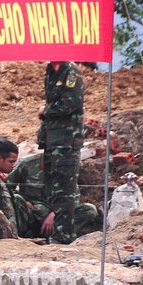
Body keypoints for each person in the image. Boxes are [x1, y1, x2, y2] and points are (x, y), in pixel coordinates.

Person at [37, 61, 86, 244]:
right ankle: (57, 234)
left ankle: (64, 236)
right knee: (54, 188)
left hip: (66, 141)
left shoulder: (71, 72)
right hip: (52, 141)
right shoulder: (51, 71)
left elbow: (71, 103)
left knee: (65, 189)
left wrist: (46, 110)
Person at [5, 151, 101, 239]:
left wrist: (55, 213)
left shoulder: (66, 168)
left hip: (58, 214)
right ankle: (27, 236)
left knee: (89, 210)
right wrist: (24, 201)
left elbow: (73, 198)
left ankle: (60, 235)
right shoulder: (26, 164)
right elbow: (7, 187)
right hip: (33, 214)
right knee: (19, 200)